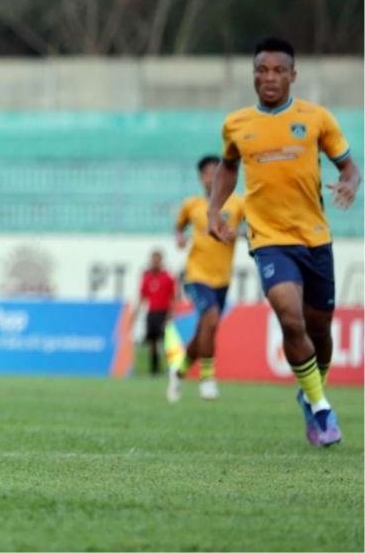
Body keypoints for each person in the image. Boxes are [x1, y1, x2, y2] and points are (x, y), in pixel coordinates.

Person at [208, 37, 359, 447]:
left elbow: (349, 166)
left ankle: (310, 393)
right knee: (289, 318)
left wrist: (349, 185)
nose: (269, 77)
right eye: (262, 70)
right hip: (269, 240)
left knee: (320, 332)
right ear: (253, 74)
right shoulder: (237, 124)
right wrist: (213, 211)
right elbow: (227, 167)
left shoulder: (316, 119)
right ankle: (323, 409)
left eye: (278, 70)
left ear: (293, 75)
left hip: (315, 239)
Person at [167, 156, 246, 403]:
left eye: (217, 172)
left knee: (205, 329)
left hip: (222, 277)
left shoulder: (239, 203)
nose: (213, 177)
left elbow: (255, 227)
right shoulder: (192, 205)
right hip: (195, 274)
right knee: (210, 319)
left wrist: (240, 233)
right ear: (201, 178)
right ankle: (208, 378)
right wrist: (179, 237)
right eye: (208, 173)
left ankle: (178, 372)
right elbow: (178, 227)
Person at [135, 251, 175, 376]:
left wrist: (170, 313)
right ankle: (154, 368)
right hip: (151, 313)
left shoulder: (167, 277)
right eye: (153, 259)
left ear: (161, 261)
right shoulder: (147, 277)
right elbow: (143, 295)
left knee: (165, 342)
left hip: (163, 312)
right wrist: (137, 310)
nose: (155, 262)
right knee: (152, 342)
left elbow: (172, 297)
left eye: (157, 259)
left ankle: (170, 368)